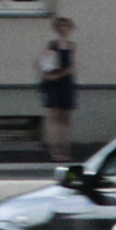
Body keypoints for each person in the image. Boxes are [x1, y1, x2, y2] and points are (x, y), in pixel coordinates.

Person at [38, 17, 77, 162]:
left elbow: (72, 66)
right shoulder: (52, 45)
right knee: (54, 118)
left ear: (70, 29)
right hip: (54, 83)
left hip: (66, 83)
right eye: (60, 26)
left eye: (66, 26)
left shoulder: (72, 46)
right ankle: (55, 152)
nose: (63, 29)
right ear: (56, 28)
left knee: (65, 119)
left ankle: (65, 151)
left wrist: (63, 74)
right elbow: (43, 62)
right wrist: (48, 76)